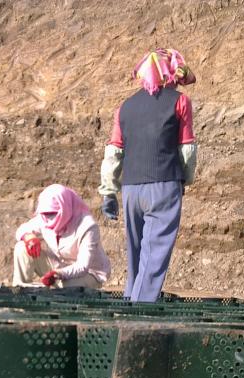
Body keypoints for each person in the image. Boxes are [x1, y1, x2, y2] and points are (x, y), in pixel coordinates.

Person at [98, 48, 197, 302]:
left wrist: (109, 190)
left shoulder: (125, 107)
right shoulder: (180, 102)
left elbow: (113, 152)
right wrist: (185, 178)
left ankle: (128, 307)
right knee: (152, 260)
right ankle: (136, 320)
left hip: (131, 189)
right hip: (163, 185)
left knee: (136, 256)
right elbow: (187, 149)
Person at [11, 184, 110, 289]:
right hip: (57, 268)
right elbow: (21, 230)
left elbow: (83, 266)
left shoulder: (87, 226)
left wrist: (58, 274)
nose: (49, 219)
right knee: (21, 247)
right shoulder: (43, 219)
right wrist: (29, 238)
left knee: (68, 287)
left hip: (87, 273)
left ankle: (55, 289)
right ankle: (21, 288)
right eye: (45, 214)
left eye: (53, 213)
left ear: (65, 207)